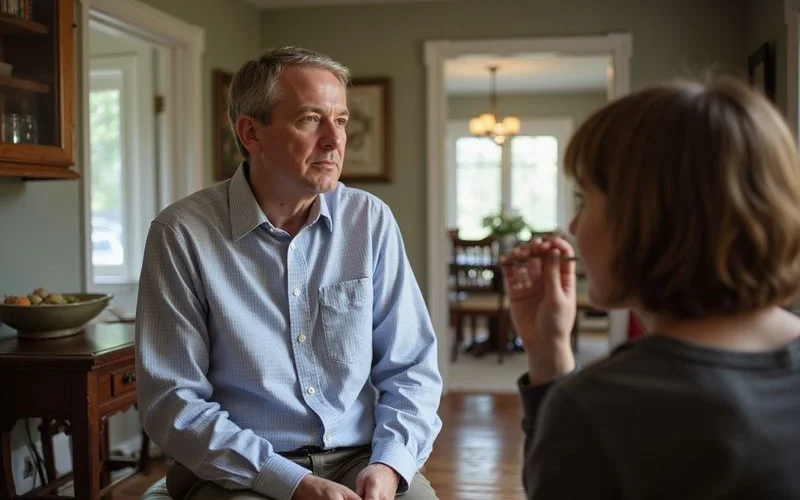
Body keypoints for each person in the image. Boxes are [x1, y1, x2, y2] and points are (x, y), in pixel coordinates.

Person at [135, 46, 442, 500]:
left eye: (340, 120)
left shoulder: (369, 220)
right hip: (238, 466)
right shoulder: (181, 233)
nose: (335, 140)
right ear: (251, 133)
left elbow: (411, 366)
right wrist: (292, 483)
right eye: (310, 119)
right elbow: (172, 401)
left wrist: (390, 465)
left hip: (358, 456)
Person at [502, 77, 800, 499]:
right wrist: (548, 347)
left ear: (643, 218)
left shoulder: (602, 405)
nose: (573, 226)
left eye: (584, 199)